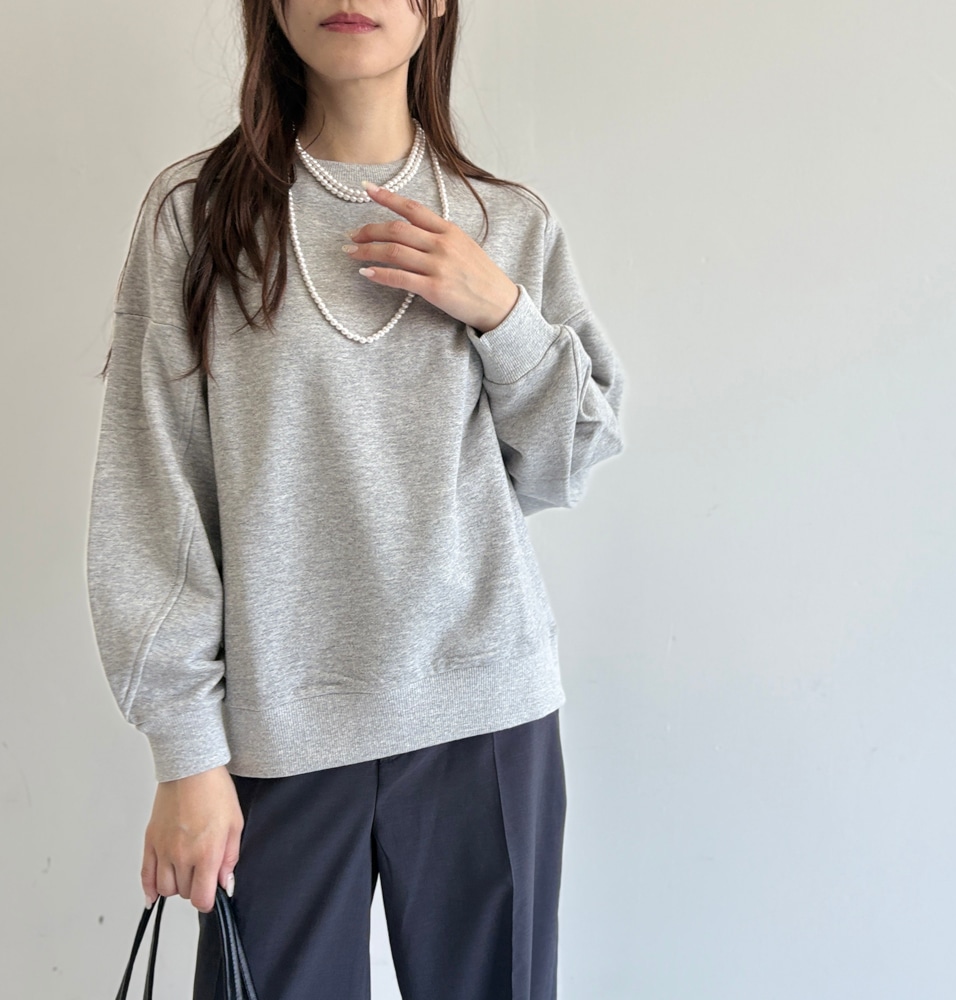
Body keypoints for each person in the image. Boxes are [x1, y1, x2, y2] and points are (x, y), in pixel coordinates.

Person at [86, 1, 625, 997]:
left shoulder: (507, 224)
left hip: (484, 713)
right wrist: (186, 753)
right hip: (280, 729)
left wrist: (500, 312)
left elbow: (566, 462)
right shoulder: (194, 218)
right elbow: (153, 494)